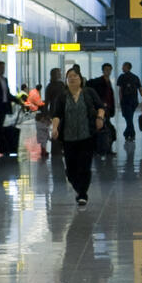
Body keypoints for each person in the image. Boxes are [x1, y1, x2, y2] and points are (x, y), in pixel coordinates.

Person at [51, 67, 105, 206]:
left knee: (84, 166)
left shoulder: (88, 93)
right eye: (70, 76)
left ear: (81, 79)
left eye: (75, 76)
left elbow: (100, 106)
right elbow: (57, 115)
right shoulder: (62, 97)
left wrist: (99, 118)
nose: (73, 78)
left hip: (87, 135)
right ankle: (78, 188)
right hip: (69, 138)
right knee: (70, 170)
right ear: (66, 80)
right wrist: (55, 128)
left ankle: (82, 194)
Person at [116, 61, 142, 141]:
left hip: (126, 101)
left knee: (128, 118)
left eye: (123, 66)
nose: (122, 68)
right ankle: (127, 133)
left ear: (127, 67)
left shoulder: (122, 77)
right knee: (129, 117)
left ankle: (131, 134)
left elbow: (120, 90)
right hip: (134, 101)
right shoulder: (135, 77)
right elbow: (140, 89)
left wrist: (120, 101)